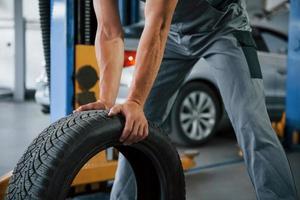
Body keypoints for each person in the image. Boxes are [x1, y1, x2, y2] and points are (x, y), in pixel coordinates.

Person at [76, 0, 298, 199]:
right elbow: (108, 32)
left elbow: (158, 23)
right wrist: (106, 99)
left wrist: (134, 100)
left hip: (222, 27)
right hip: (172, 33)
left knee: (251, 123)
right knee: (133, 128)